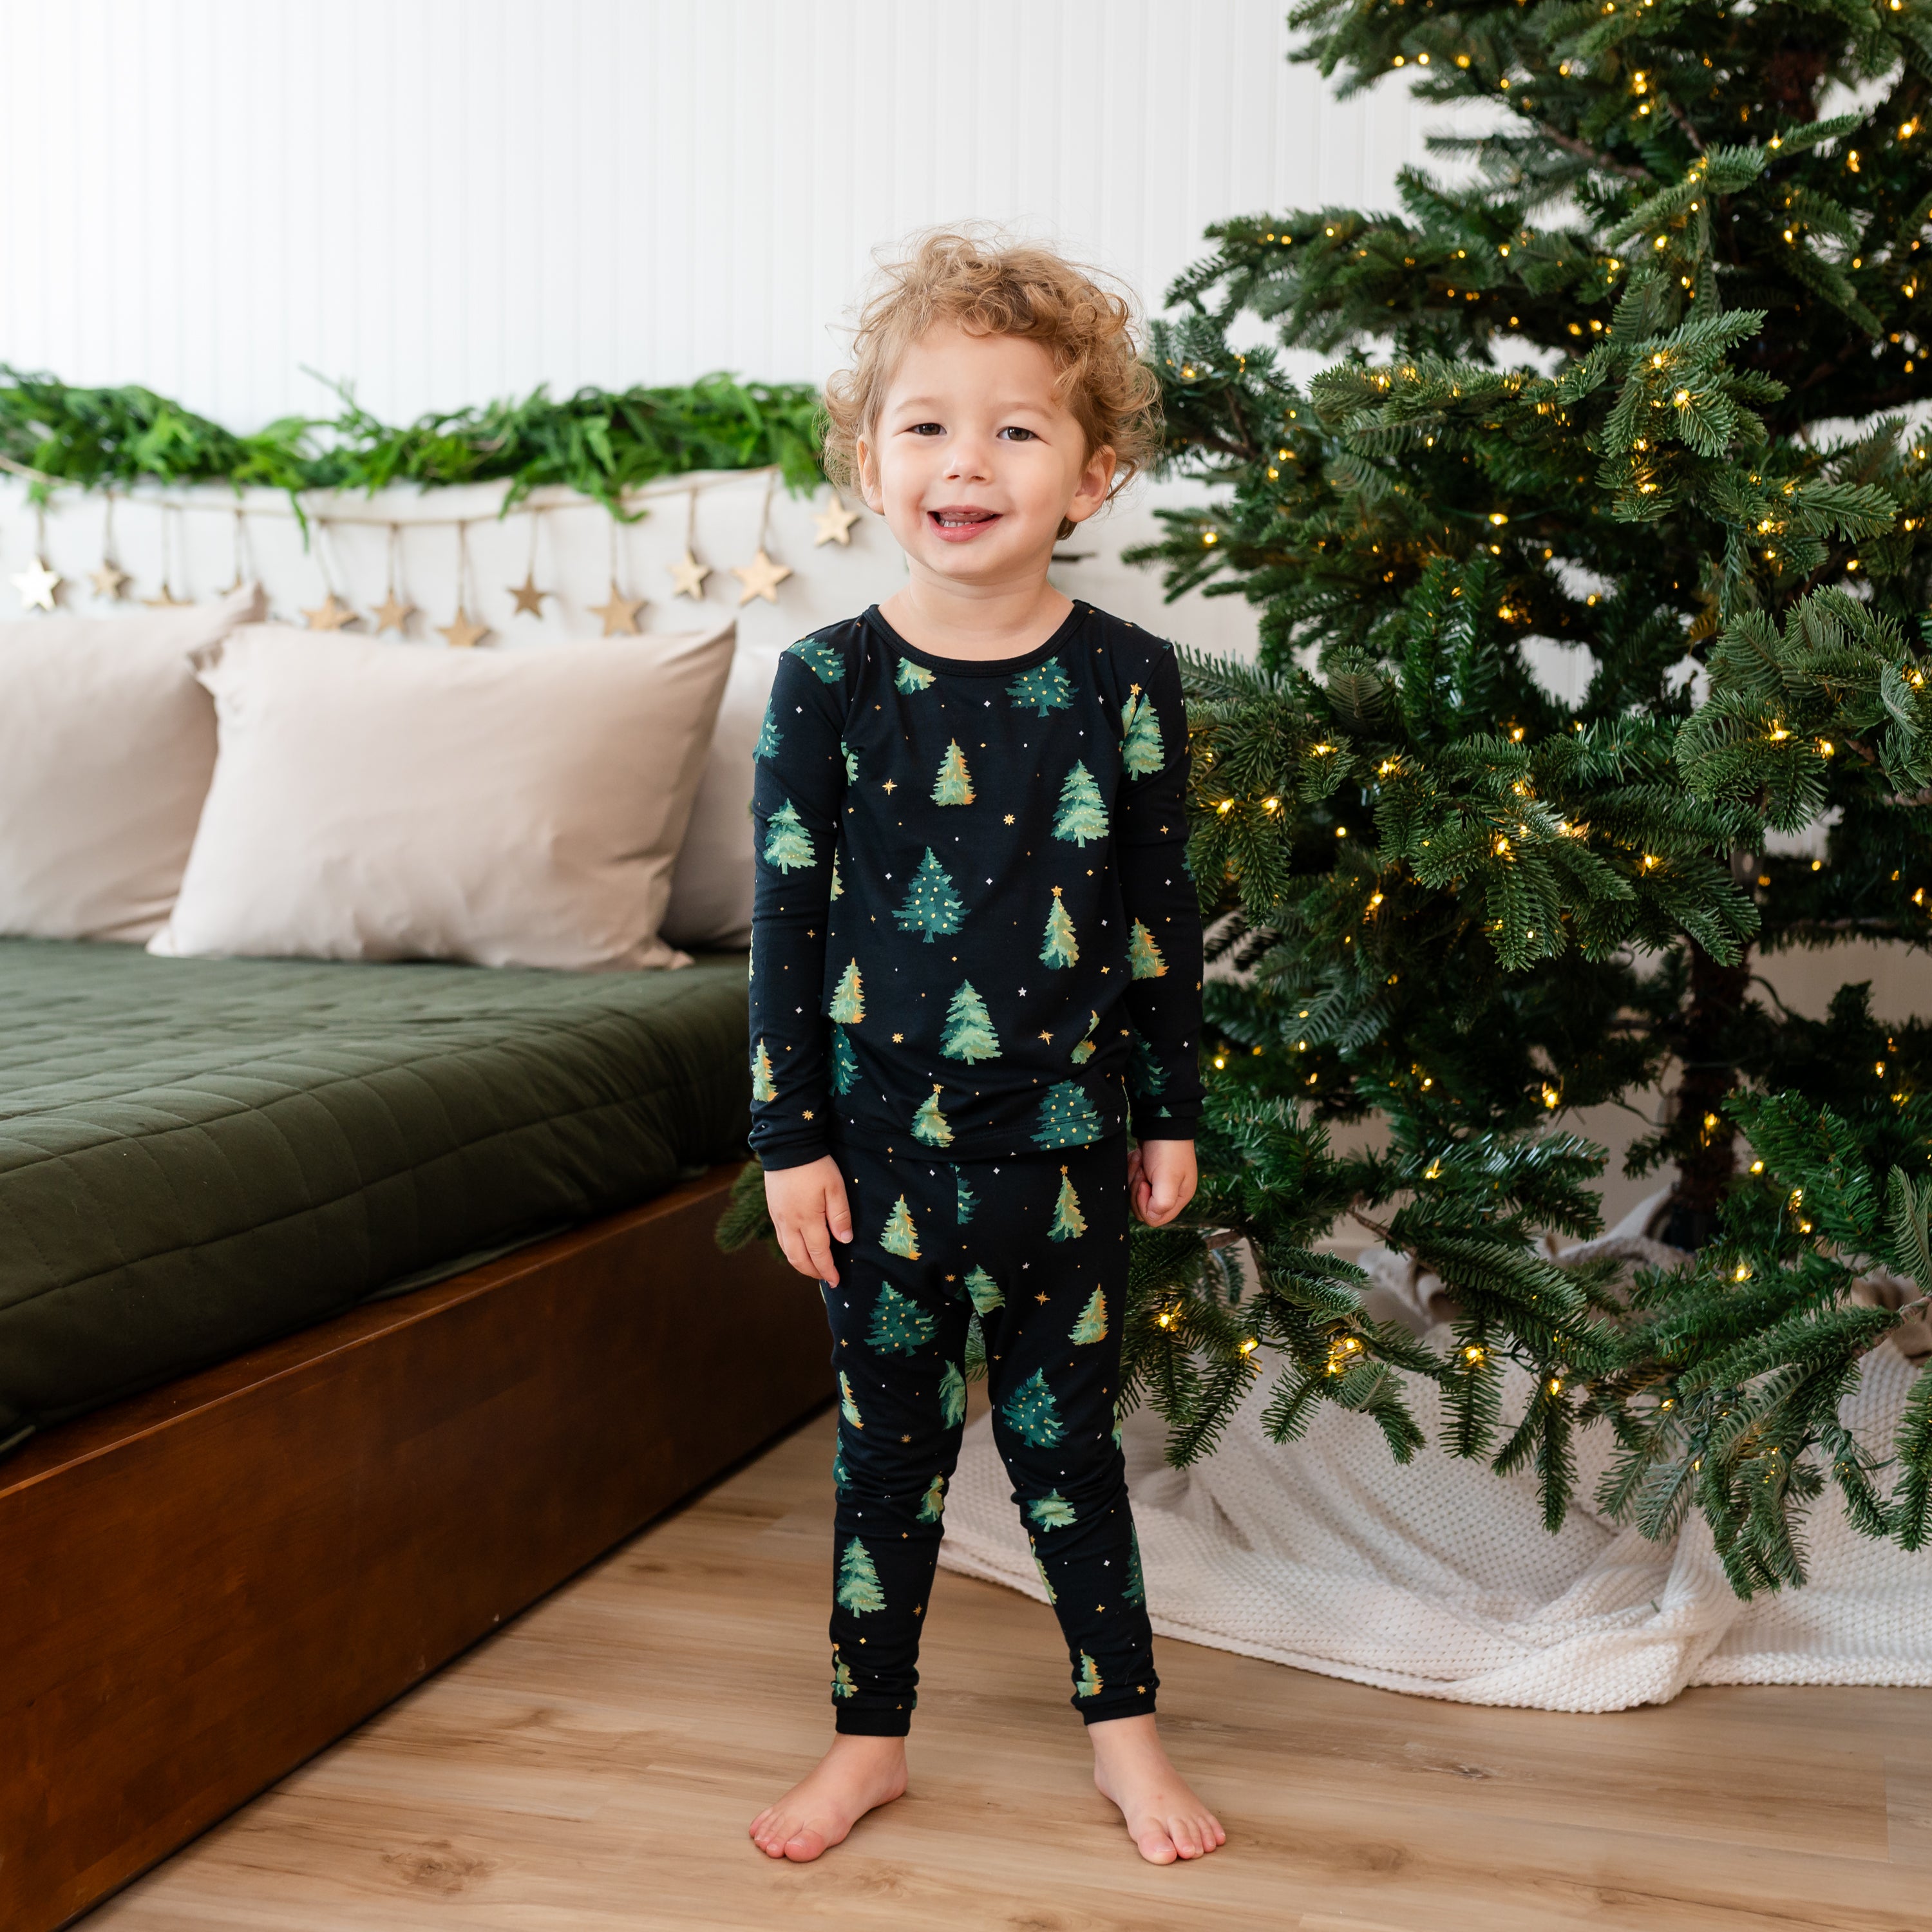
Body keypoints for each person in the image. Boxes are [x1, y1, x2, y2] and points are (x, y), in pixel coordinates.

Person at [746, 229, 1223, 1868]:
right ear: (867, 457)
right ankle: (866, 1742)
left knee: (1068, 1455)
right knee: (886, 1468)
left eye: (1016, 431)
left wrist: (1169, 1113)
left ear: (1093, 478)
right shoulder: (825, 684)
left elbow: (1162, 921)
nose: (968, 461)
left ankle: (1128, 1739)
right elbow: (785, 934)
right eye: (928, 425)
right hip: (873, 1161)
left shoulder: (1130, 686)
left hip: (1067, 1158)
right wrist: (787, 1142)